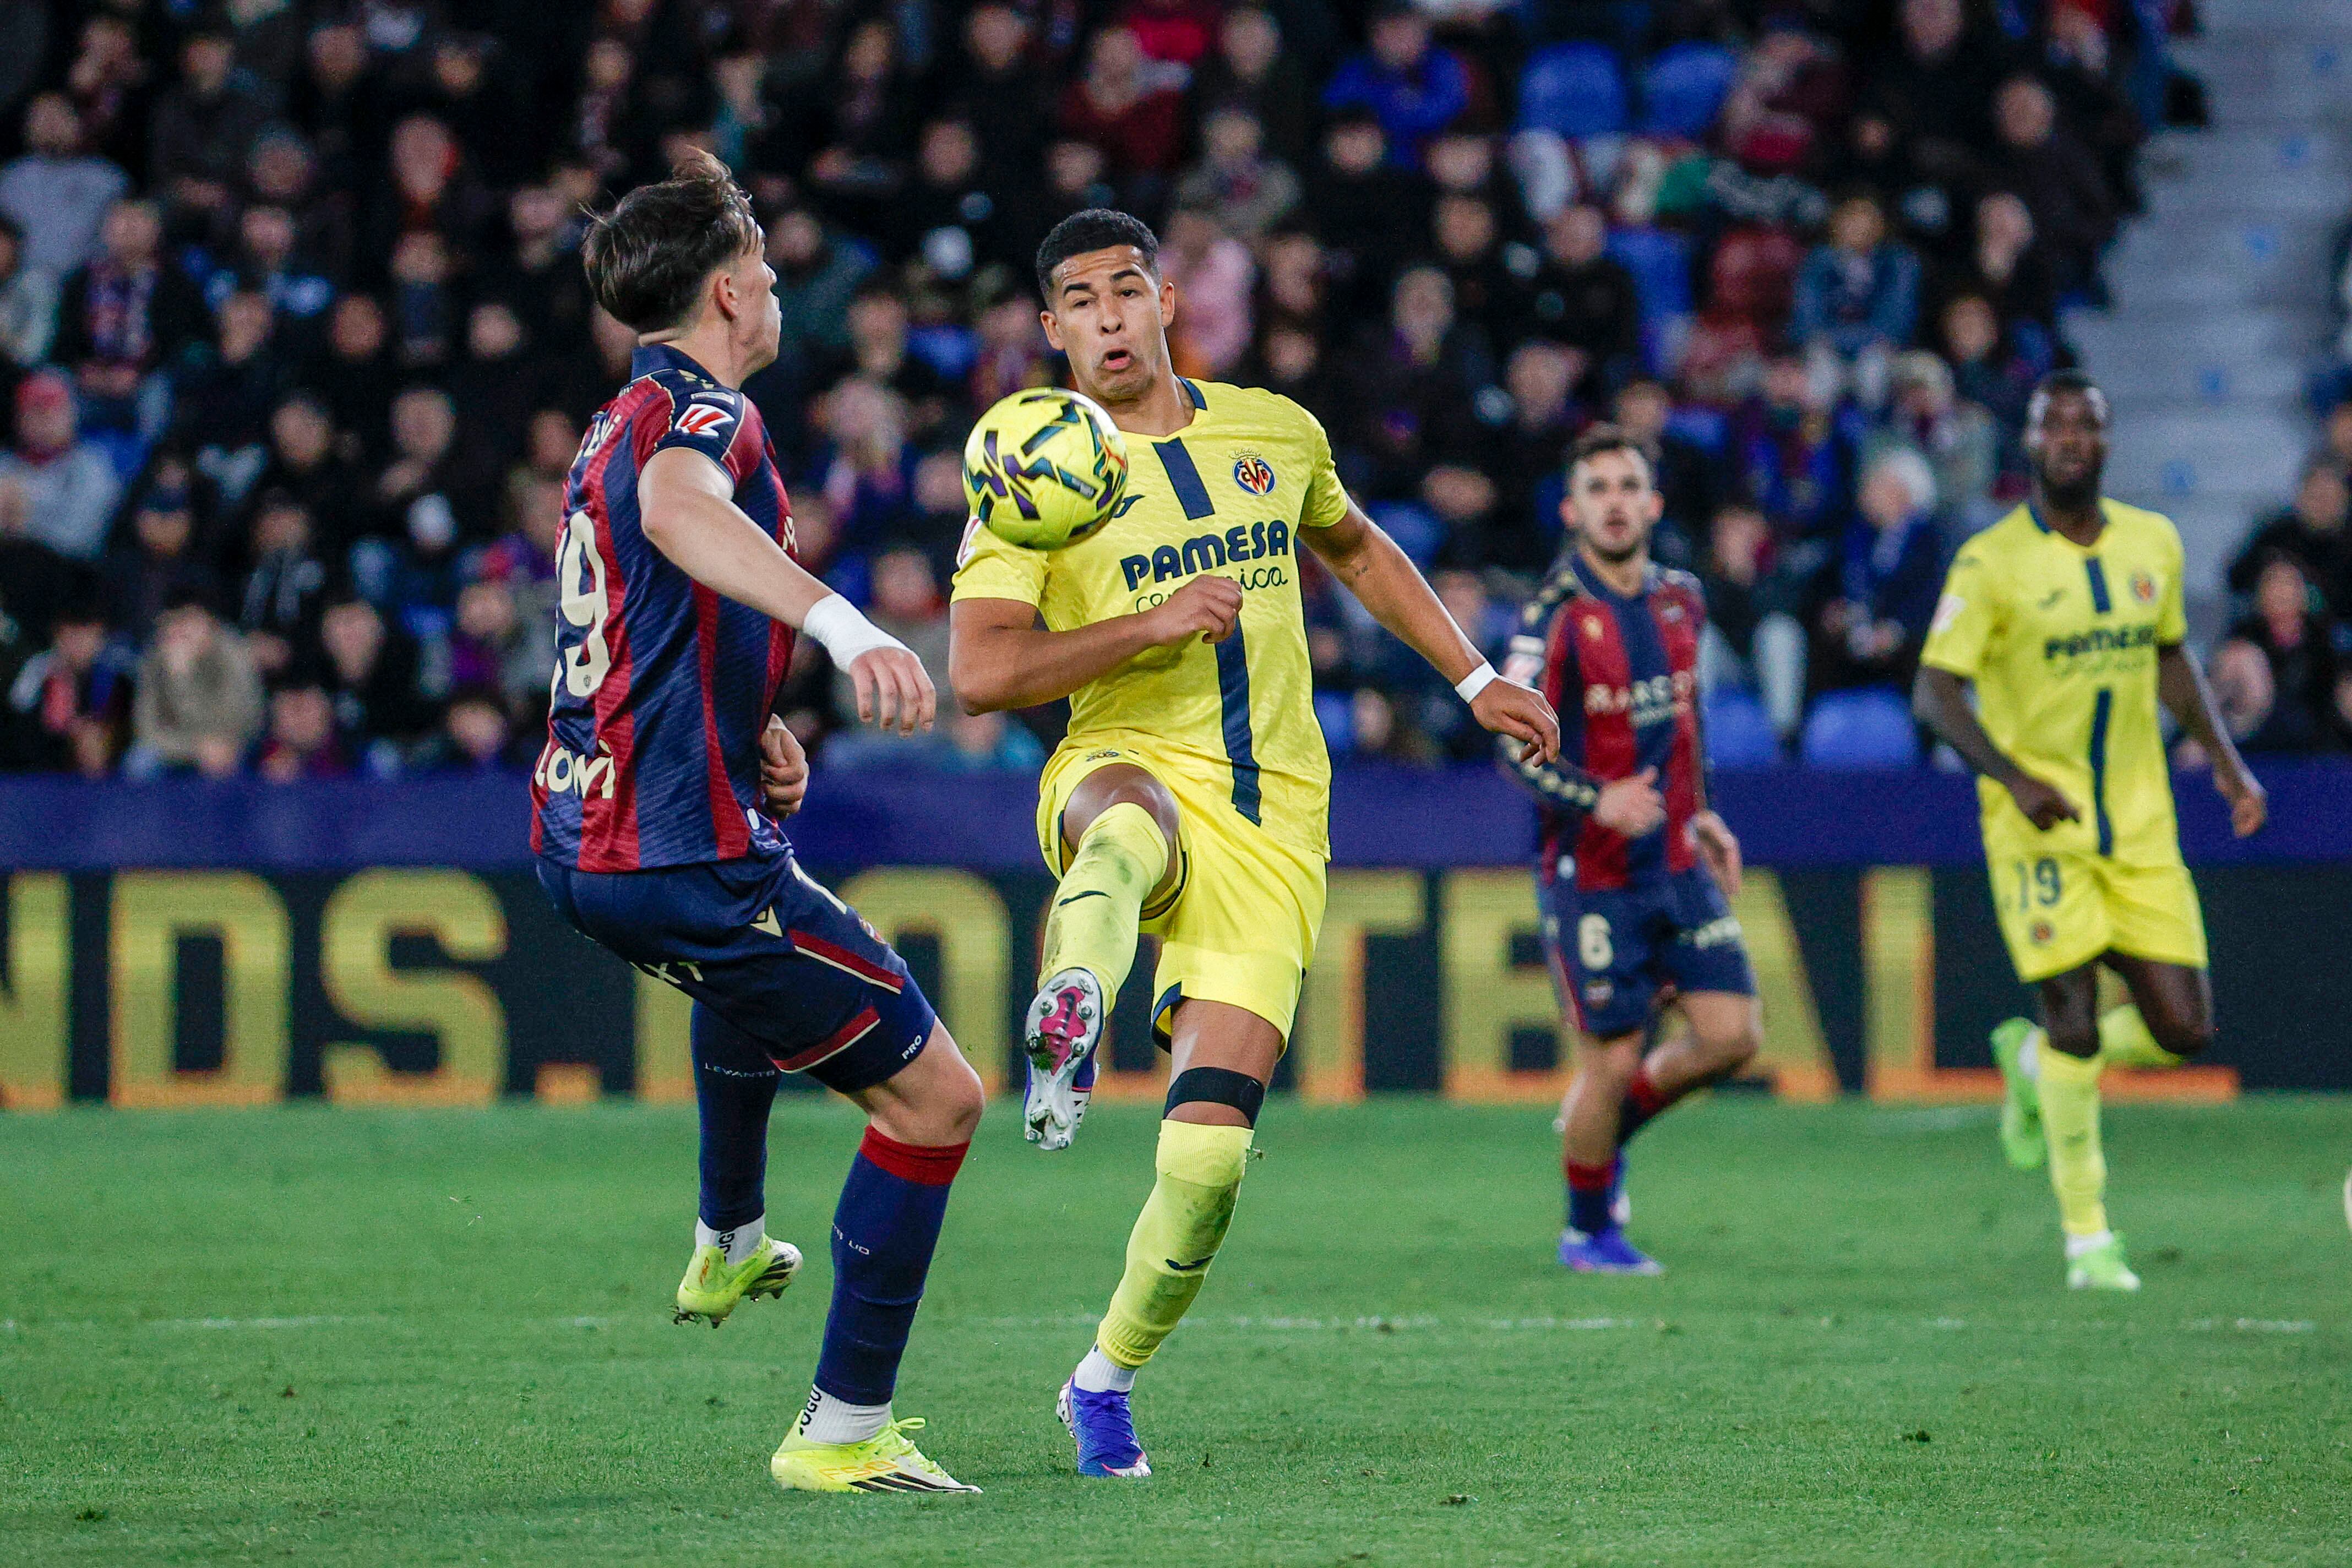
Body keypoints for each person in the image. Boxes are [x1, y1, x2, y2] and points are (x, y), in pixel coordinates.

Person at [948, 208, 1558, 1479]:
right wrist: (1150, 625)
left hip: (1278, 816)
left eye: (1128, 290)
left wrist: (1474, 674)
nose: (1110, 317)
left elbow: (1358, 547)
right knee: (1119, 831)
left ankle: (1102, 1375)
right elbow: (982, 672)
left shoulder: (1275, 431)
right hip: (1125, 757)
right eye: (1081, 300)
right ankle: (1077, 993)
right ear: (1050, 328)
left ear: (1167, 299)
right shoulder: (1029, 471)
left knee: (1210, 1159)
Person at [531, 155, 986, 1495]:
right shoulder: (703, 420)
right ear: (730, 289)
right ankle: (844, 1429)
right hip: (677, 853)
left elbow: (641, 609)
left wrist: (746, 723)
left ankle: (730, 1228)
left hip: (586, 835)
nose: (781, 288)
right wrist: (841, 627)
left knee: (747, 977)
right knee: (940, 1098)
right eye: (771, 270)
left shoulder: (617, 417)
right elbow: (680, 517)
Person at [1913, 371, 2268, 1292]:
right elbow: (1935, 689)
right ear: (2030, 443)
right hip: (2039, 827)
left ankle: (2028, 1062)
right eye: (2054, 424)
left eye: (2088, 424)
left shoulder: (2156, 541)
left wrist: (2227, 765)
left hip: (2142, 828)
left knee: (2184, 1030)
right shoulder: (1991, 562)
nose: (2071, 438)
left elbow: (2172, 659)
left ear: (2107, 443)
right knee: (2074, 1018)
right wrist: (2013, 777)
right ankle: (2088, 1240)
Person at [1498, 427, 1763, 1275]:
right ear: (1574, 511)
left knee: (1733, 1035)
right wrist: (1599, 798)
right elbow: (1512, 743)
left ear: (1651, 504)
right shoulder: (1553, 617)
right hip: (1592, 875)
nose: (1614, 502)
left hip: (1677, 861)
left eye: (1628, 486)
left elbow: (1687, 721)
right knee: (1609, 1060)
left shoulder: (1683, 598)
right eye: (1597, 489)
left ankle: (1598, 1130)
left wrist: (1708, 814)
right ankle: (1587, 1229)